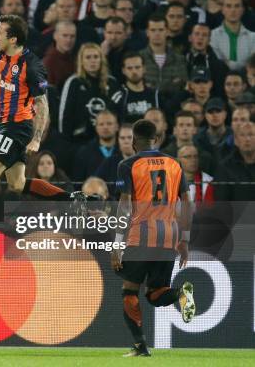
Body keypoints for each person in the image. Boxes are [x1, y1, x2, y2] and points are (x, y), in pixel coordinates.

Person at [0, 15, 92, 209]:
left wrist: (37, 138)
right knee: (17, 184)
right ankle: (72, 198)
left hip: (17, 128)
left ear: (13, 39)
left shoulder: (32, 66)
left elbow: (42, 103)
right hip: (4, 125)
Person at [111, 119, 196, 357]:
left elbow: (125, 205)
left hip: (141, 235)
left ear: (133, 141)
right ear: (156, 140)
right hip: (169, 236)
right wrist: (186, 240)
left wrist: (117, 244)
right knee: (156, 293)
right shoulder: (175, 164)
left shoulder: (127, 164)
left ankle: (140, 346)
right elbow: (188, 204)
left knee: (129, 291)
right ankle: (179, 294)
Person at [59, 42, 121, 144]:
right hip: (80, 141)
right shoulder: (74, 82)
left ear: (101, 60)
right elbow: (65, 116)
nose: (92, 61)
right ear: (81, 61)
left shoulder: (112, 82)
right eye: (88, 57)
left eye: (96, 57)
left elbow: (118, 112)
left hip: (109, 140)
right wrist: (65, 142)